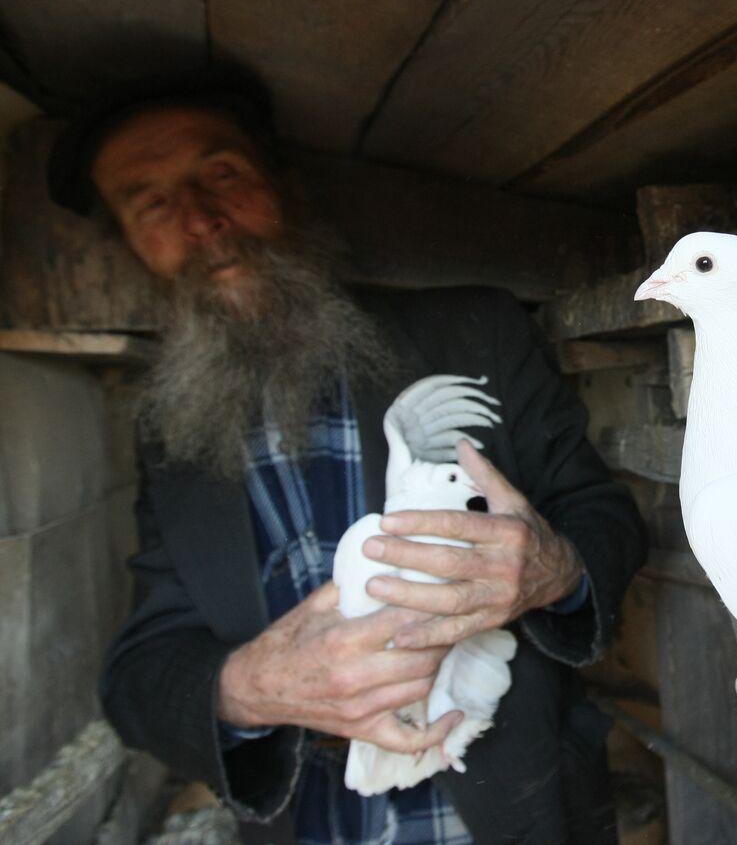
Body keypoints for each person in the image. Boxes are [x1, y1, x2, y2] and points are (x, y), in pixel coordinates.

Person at [46, 68, 647, 845]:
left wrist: (554, 568)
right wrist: (248, 687)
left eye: (221, 174)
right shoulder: (172, 431)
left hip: (510, 808)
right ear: (130, 242)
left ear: (284, 185)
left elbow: (605, 516)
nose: (201, 219)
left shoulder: (476, 331)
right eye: (152, 203)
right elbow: (138, 675)